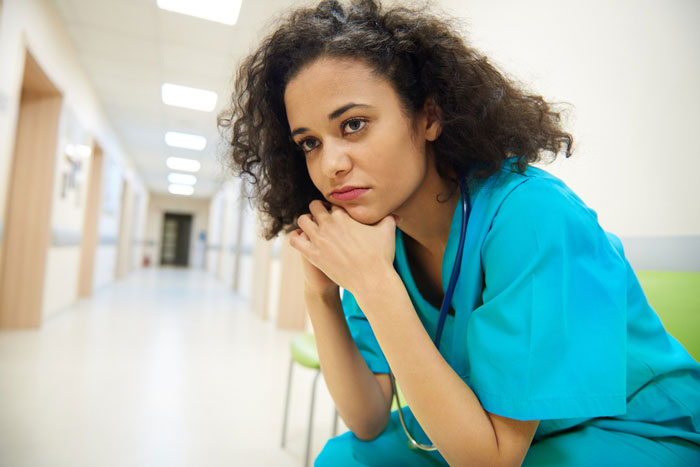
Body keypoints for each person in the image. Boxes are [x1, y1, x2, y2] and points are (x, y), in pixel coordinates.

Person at [218, 1, 700, 465]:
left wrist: (374, 283)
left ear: (429, 117)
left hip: (630, 425)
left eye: (354, 124)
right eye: (309, 143)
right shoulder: (381, 236)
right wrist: (320, 294)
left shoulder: (530, 214)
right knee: (344, 457)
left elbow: (490, 461)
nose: (330, 165)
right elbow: (365, 419)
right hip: (491, 432)